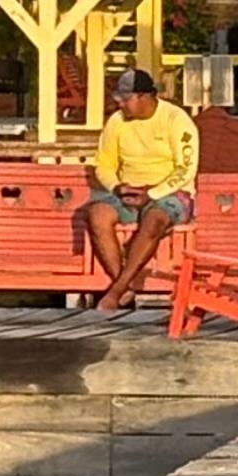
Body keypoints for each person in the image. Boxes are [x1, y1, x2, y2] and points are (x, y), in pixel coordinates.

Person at [75, 65, 202, 312]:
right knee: (97, 214)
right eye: (118, 99)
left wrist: (151, 194)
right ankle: (127, 287)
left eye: (125, 99)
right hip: (128, 190)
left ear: (145, 96)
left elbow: (186, 169)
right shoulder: (117, 122)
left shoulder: (176, 120)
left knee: (155, 219)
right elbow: (104, 164)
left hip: (170, 193)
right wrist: (117, 187)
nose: (120, 104)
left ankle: (115, 291)